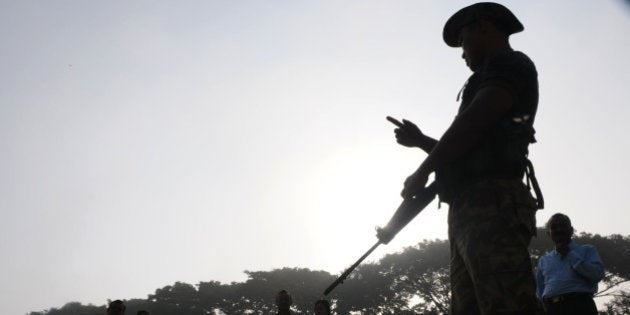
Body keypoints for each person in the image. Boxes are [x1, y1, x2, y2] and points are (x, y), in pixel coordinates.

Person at [378, 2, 544, 314]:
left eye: (464, 39)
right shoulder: (486, 77)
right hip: (469, 207)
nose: (462, 52)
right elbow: (471, 144)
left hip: (493, 202)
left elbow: (473, 124)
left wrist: (423, 170)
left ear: (484, 28)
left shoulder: (510, 64)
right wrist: (422, 142)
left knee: (507, 304)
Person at [536, 213, 605, 315]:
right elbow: (540, 291)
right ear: (548, 233)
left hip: (580, 306)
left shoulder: (587, 250)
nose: (559, 230)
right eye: (554, 227)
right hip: (552, 308)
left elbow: (597, 275)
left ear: (571, 230)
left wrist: (570, 254)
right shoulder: (544, 260)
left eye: (563, 225)